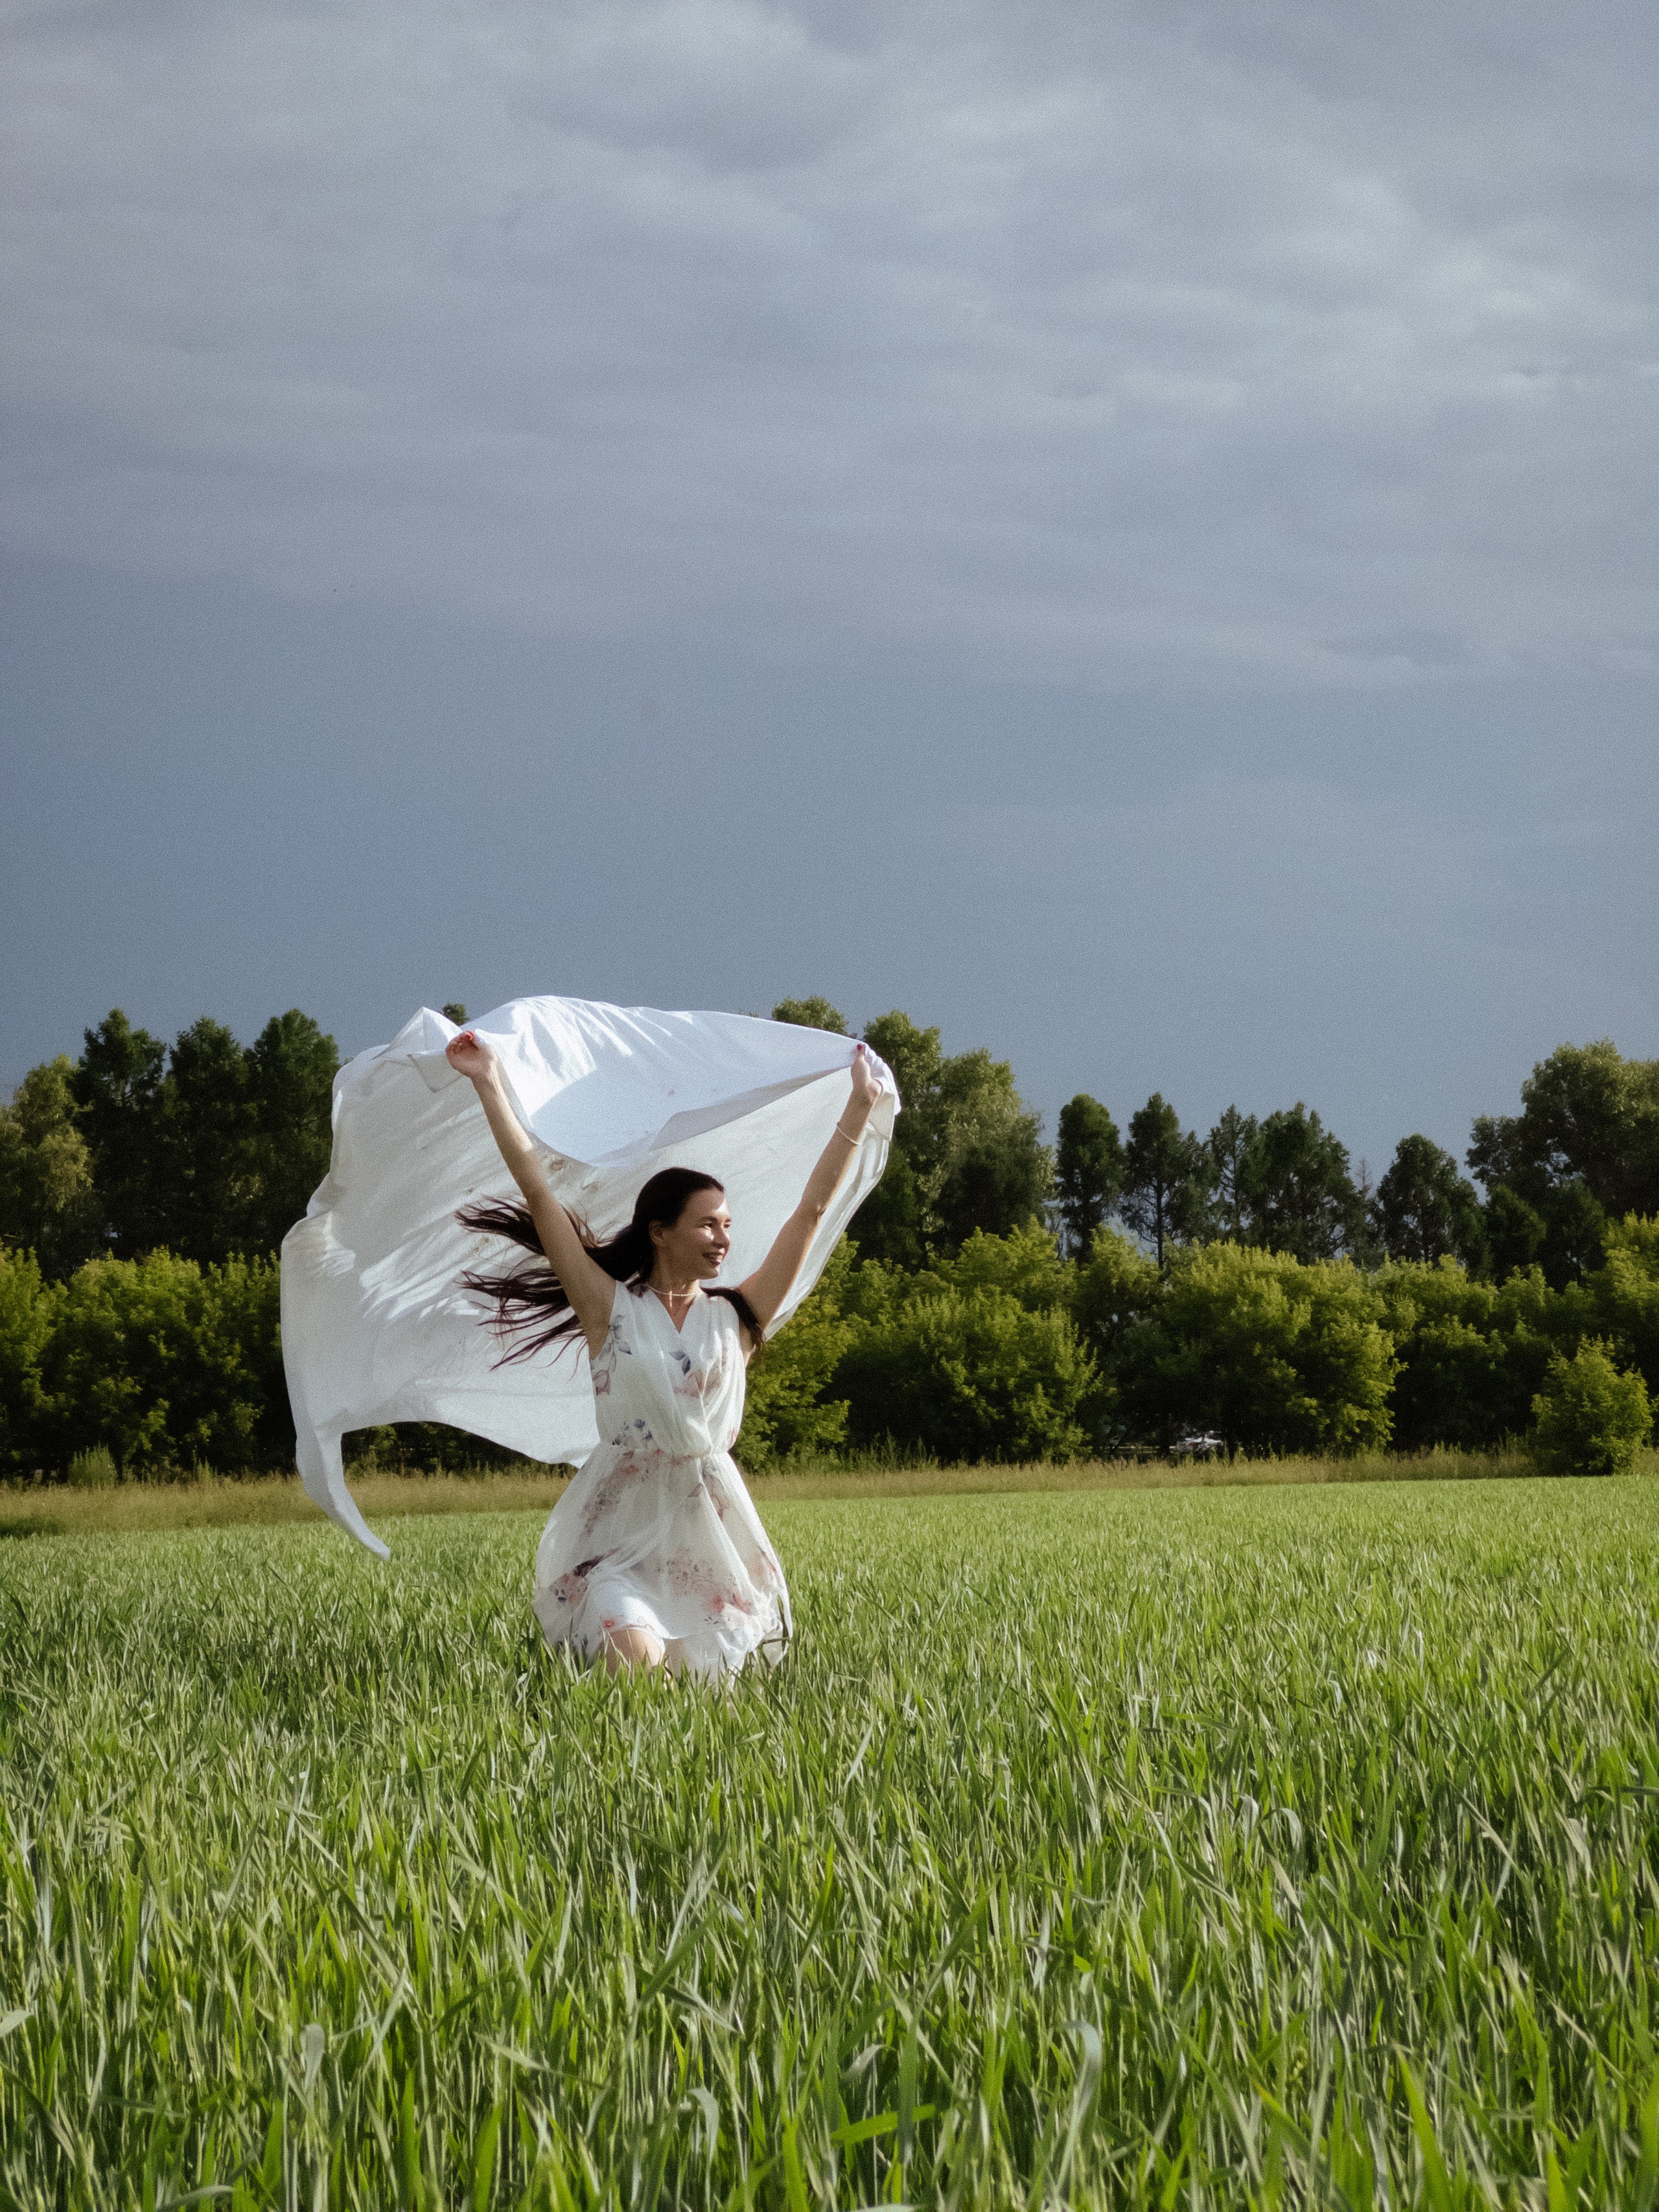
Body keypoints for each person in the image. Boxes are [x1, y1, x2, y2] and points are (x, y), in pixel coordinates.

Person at [443, 1027, 885, 1677]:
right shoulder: (608, 1307)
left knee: (712, 1689)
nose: (722, 1237)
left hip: (709, 1530)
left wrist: (858, 1107)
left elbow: (810, 1212)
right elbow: (540, 1195)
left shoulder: (736, 1315)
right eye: (707, 1223)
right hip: (620, 1531)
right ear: (659, 1230)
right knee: (632, 1658)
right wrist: (487, 1082)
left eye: (728, 1224)